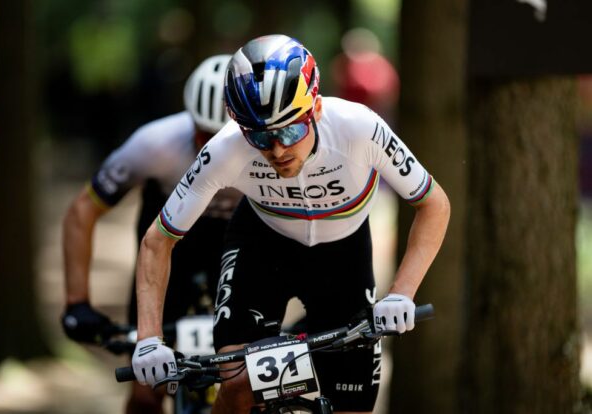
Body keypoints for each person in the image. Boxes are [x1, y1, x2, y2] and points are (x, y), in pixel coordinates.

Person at [130, 35, 451, 414]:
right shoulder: (225, 148)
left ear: (314, 107)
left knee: (354, 405)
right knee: (237, 383)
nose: (278, 150)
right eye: (261, 137)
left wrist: (402, 292)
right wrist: (149, 339)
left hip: (343, 258)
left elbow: (433, 203)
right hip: (263, 247)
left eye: (289, 131)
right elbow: (158, 240)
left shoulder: (358, 129)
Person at [60, 54, 241, 414]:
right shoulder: (155, 143)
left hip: (238, 254)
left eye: (225, 138)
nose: (212, 148)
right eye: (203, 134)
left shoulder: (271, 152)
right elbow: (83, 210)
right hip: (168, 258)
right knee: (146, 394)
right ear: (189, 119)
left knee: (244, 386)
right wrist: (77, 302)